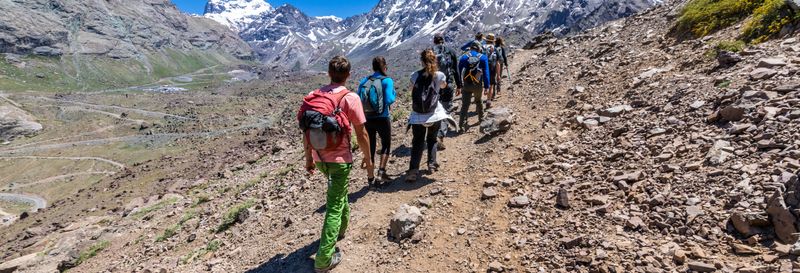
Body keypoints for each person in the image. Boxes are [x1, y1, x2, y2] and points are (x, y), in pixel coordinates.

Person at [301, 56, 374, 273]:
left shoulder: (312, 97)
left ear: (328, 73)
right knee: (334, 205)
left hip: (319, 158)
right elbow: (361, 133)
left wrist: (308, 159)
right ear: (348, 75)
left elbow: (306, 131)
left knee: (338, 194)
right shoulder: (350, 98)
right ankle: (324, 260)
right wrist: (368, 158)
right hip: (340, 161)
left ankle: (340, 230)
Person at [407, 49, 449, 182]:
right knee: (432, 139)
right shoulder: (440, 75)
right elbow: (443, 87)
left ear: (421, 61)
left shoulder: (414, 75)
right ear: (434, 60)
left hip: (418, 115)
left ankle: (413, 170)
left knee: (417, 141)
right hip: (434, 114)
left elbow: (410, 90)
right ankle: (431, 164)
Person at [357, 56, 396, 184]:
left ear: (373, 67)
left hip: (367, 118)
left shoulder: (364, 81)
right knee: (386, 144)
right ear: (384, 67)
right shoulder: (387, 80)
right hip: (382, 117)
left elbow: (358, 98)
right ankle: (381, 173)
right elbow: (390, 99)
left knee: (371, 146)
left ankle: (370, 177)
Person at [432, 34, 462, 150]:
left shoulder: (431, 52)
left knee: (435, 109)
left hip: (434, 86)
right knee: (445, 109)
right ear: (443, 41)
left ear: (434, 41)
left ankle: (434, 133)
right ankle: (440, 135)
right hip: (448, 84)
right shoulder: (451, 51)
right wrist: (459, 85)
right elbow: (456, 70)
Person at [457, 41, 490, 133]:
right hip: (477, 84)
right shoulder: (483, 57)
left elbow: (458, 72)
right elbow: (486, 73)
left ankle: (462, 126)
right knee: (478, 101)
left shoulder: (463, 57)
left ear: (471, 48)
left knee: (465, 105)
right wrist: (487, 86)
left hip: (466, 84)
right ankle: (481, 120)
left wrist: (459, 85)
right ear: (479, 48)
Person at [483, 33, 501, 105]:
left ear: (486, 40)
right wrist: (498, 75)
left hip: (482, 69)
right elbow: (498, 63)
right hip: (492, 69)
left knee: (482, 83)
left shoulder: (482, 47)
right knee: (491, 85)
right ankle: (488, 100)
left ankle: (482, 93)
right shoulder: (495, 49)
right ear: (493, 41)